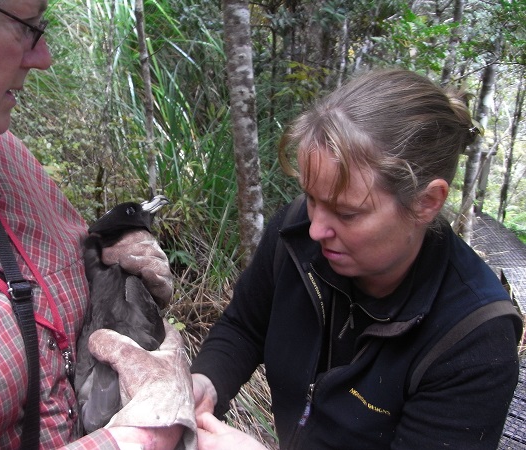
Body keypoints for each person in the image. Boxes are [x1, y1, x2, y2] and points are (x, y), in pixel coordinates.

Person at [190, 69, 524, 449]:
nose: (316, 229)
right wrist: (206, 383)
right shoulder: (296, 234)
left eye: (347, 214)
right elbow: (244, 327)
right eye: (312, 198)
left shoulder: (473, 340)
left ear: (427, 202)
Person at [0, 1, 195, 449]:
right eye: (26, 28)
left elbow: (68, 263)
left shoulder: (2, 151)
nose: (44, 56)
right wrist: (145, 434)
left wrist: (110, 258)